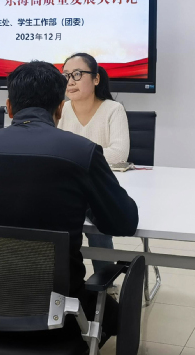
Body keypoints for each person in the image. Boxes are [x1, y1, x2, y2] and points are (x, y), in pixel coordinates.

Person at [0, 61, 139, 344]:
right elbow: (124, 222)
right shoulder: (82, 152)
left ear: (9, 108)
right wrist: (86, 202)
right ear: (60, 109)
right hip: (55, 313)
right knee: (116, 314)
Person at [58, 53, 130, 278]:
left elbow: (119, 154)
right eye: (66, 75)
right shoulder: (61, 109)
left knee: (99, 224)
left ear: (96, 79)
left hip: (100, 185)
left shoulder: (113, 109)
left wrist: (74, 158)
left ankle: (105, 283)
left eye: (77, 74)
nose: (70, 81)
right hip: (67, 186)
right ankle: (65, 283)